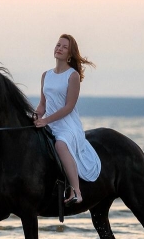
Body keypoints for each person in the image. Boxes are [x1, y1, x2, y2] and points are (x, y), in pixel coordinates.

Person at [33, 34, 101, 205]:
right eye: (58, 45)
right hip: (49, 122)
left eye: (64, 47)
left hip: (67, 125)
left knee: (61, 145)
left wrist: (46, 120)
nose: (59, 48)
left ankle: (77, 192)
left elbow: (68, 107)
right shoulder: (45, 75)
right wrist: (36, 116)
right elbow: (42, 103)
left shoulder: (73, 76)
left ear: (70, 54)